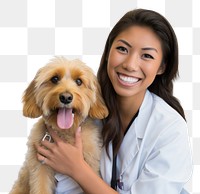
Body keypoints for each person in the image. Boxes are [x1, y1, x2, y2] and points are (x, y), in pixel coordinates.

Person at [36, 8, 193, 194]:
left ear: (161, 67)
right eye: (122, 49)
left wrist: (77, 168)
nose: (130, 64)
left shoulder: (170, 130)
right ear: (108, 51)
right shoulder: (83, 105)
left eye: (147, 55)